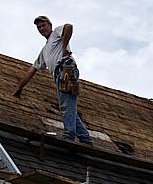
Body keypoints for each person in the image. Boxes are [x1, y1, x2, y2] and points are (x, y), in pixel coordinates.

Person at [13, 16, 93, 145]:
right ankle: (85, 138)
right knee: (68, 106)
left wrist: (64, 47)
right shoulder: (44, 50)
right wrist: (20, 88)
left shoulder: (56, 33)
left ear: (49, 25)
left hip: (65, 68)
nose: (41, 28)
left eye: (43, 25)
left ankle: (69, 135)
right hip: (58, 73)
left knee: (67, 105)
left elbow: (69, 26)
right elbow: (32, 69)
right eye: (38, 27)